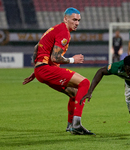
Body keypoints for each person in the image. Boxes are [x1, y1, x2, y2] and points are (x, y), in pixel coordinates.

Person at [22, 7, 94, 135]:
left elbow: (36, 48)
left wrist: (37, 69)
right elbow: (55, 57)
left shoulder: (55, 29)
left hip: (42, 69)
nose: (77, 23)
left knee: (75, 93)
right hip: (45, 69)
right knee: (85, 83)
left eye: (78, 20)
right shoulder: (64, 32)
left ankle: (70, 126)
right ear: (65, 19)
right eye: (74, 20)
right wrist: (73, 60)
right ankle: (77, 125)